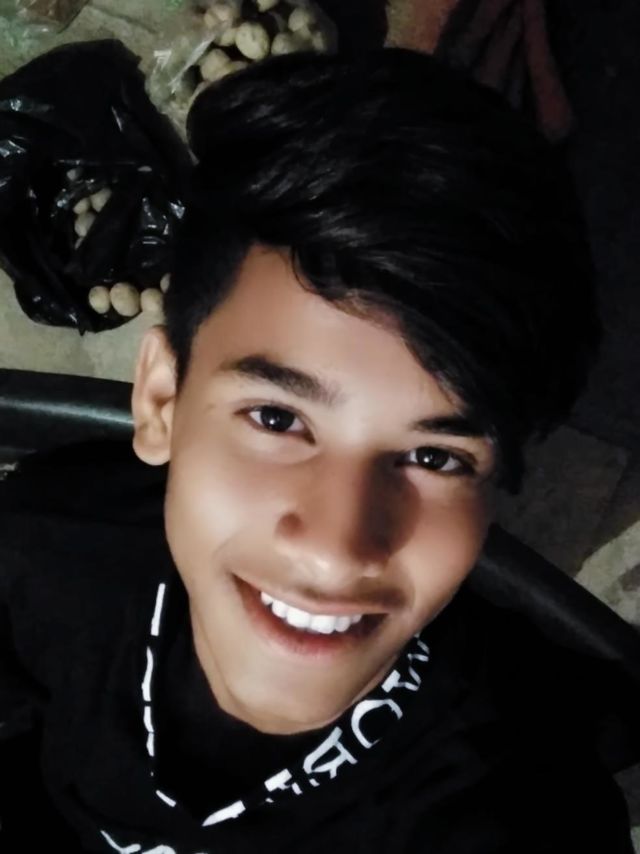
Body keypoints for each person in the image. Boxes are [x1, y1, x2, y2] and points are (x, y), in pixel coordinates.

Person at [0, 47, 638, 853]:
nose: (338, 550)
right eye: (277, 419)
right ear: (162, 400)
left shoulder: (516, 809)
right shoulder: (50, 547)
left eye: (435, 457)